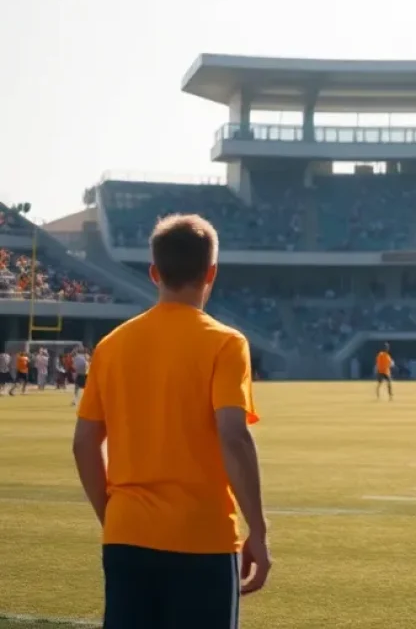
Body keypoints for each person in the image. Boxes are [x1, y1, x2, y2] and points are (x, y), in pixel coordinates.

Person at [73, 213, 270, 628]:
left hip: (127, 535)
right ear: (211, 272)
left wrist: (115, 517)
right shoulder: (225, 342)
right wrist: (259, 530)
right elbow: (233, 436)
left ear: (154, 272)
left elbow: (84, 443)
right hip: (202, 537)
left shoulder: (111, 346)